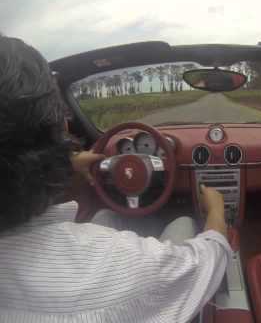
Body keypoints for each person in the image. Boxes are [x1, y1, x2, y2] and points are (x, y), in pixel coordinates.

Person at [0, 36, 231, 322]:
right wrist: (217, 213)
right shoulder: (123, 269)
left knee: (107, 216)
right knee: (183, 222)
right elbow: (209, 258)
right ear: (60, 129)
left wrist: (65, 163)